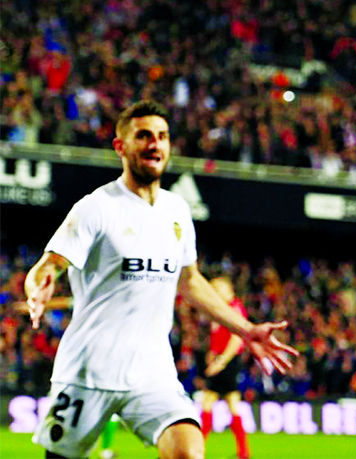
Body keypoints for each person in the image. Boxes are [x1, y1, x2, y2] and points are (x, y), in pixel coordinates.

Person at [25, 100, 298, 459]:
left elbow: (191, 282)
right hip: (88, 371)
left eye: (162, 136)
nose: (155, 143)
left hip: (152, 371)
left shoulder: (177, 210)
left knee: (188, 451)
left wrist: (245, 330)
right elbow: (51, 263)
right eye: (143, 136)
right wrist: (38, 284)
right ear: (121, 147)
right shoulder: (97, 207)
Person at [200, 275, 251, 459]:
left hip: (228, 363)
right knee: (230, 404)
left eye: (218, 288)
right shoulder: (221, 310)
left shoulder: (234, 308)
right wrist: (212, 353)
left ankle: (200, 447)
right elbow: (218, 337)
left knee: (210, 403)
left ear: (229, 290)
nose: (215, 292)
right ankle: (243, 451)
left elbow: (236, 339)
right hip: (223, 361)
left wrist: (220, 362)